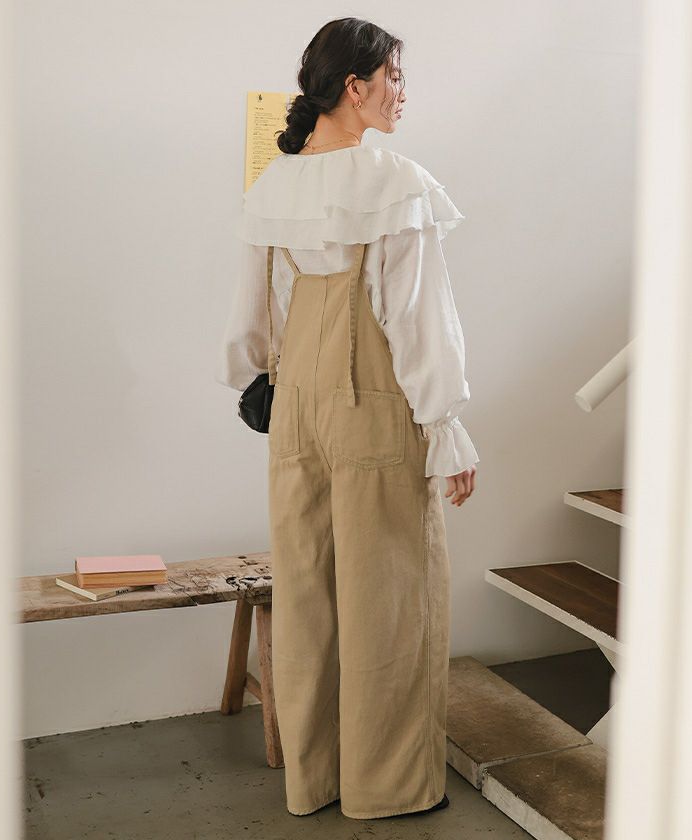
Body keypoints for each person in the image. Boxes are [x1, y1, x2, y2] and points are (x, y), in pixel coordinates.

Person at [216, 16, 479, 821]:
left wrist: (258, 381)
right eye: (394, 76)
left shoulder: (276, 184)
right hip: (374, 402)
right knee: (390, 592)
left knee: (308, 592)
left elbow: (251, 317)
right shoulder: (393, 180)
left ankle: (315, 779)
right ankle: (386, 785)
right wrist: (445, 426)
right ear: (355, 87)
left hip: (296, 403)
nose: (403, 92)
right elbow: (418, 319)